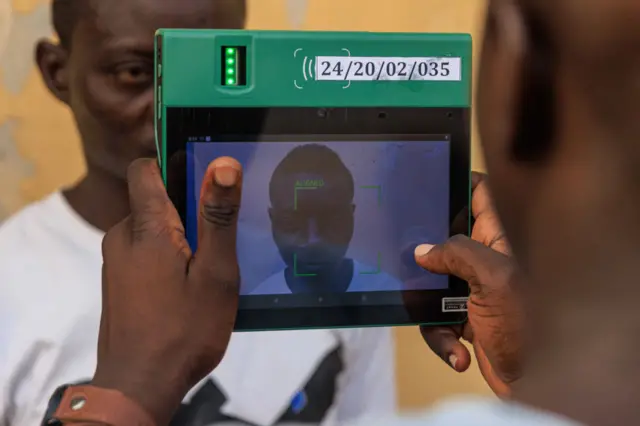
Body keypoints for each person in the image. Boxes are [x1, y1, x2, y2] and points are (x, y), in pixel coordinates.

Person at [48, 0, 640, 424]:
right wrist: (529, 383)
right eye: (133, 72)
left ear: (517, 79)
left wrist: (126, 392)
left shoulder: (365, 291)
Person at [0, 1, 396, 425]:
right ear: (57, 71)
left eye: (212, 70)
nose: (175, 108)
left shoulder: (334, 274)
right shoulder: (10, 281)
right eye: (133, 73)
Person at [251, 144, 402, 295]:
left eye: (331, 221)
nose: (313, 241)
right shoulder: (254, 308)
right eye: (292, 223)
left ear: (351, 219)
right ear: (273, 221)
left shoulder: (394, 296)